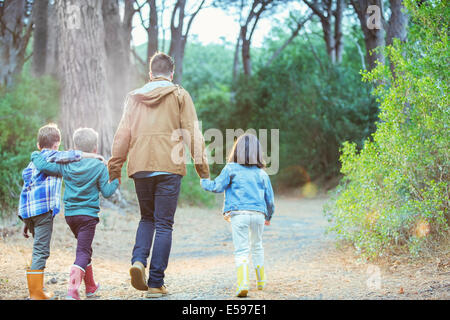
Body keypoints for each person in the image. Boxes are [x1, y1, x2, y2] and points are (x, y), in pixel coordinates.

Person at [108, 52, 210, 298]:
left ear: (151, 74)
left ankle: (138, 261)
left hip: (140, 167)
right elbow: (192, 133)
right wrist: (202, 170)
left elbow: (122, 134)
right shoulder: (179, 95)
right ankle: (155, 283)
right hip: (169, 168)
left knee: (146, 219)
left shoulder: (134, 98)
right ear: (171, 74)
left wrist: (115, 168)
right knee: (164, 223)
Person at [31, 127, 119, 300]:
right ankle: (72, 289)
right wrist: (116, 180)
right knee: (83, 252)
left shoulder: (66, 164)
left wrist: (35, 155)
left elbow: (44, 166)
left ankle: (91, 287)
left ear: (75, 146)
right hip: (88, 217)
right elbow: (107, 192)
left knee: (85, 249)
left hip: (71, 216)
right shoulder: (99, 166)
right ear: (95, 148)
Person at [18, 123, 88, 300]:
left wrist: (25, 221)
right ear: (57, 144)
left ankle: (36, 289)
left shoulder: (32, 162)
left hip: (29, 212)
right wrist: (94, 156)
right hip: (43, 212)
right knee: (41, 251)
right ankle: (35, 293)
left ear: (38, 145)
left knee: (37, 249)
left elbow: (26, 188)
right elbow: (75, 155)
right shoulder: (55, 156)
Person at [200, 134, 275, 297]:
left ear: (237, 150)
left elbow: (217, 187)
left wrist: (204, 181)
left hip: (238, 214)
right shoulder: (262, 174)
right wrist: (268, 217)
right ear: (258, 153)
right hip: (258, 215)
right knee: (257, 246)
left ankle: (243, 284)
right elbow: (270, 200)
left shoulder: (230, 168)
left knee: (242, 249)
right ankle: (261, 282)